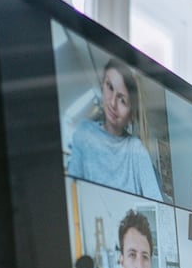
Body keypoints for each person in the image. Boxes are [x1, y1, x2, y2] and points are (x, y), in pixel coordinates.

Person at [66, 57, 163, 201]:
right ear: (102, 85)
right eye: (110, 87)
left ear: (131, 116)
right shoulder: (84, 132)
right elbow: (72, 190)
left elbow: (156, 201)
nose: (112, 103)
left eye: (122, 100)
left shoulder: (136, 149)